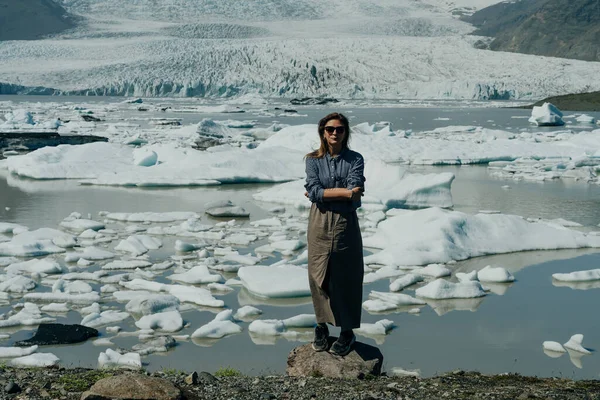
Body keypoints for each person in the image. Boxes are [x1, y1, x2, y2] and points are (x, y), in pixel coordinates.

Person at [304, 112, 365, 356]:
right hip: (319, 221)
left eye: (339, 129)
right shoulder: (312, 160)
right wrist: (346, 194)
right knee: (318, 274)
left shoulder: (355, 159)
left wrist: (325, 193)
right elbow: (314, 190)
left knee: (347, 275)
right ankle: (321, 326)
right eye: (330, 129)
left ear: (345, 132)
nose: (334, 133)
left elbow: (353, 186)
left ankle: (347, 331)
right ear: (322, 132)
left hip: (345, 222)